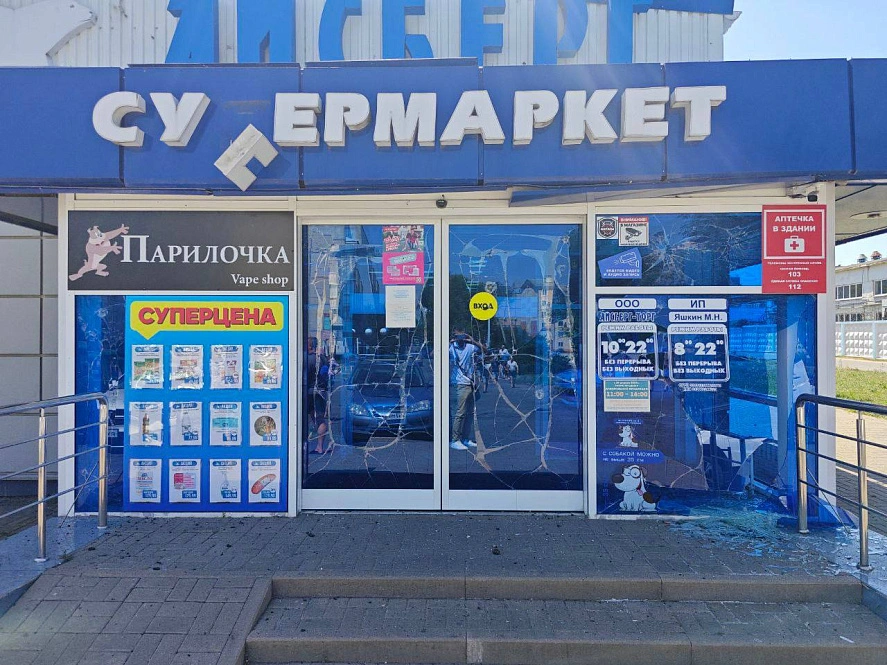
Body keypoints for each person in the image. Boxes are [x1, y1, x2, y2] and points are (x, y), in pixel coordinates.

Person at [449, 328, 484, 450]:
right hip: (460, 383)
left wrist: (472, 340)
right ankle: (455, 439)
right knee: (460, 413)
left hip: (471, 382)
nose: (460, 339)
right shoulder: (451, 347)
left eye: (462, 336)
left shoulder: (469, 346)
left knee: (470, 413)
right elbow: (434, 354)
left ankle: (465, 438)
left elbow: (485, 350)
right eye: (457, 336)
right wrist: (448, 342)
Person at [306, 336, 329, 454]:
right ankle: (320, 446)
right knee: (319, 418)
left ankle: (314, 447)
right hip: (321, 391)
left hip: (310, 392)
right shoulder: (322, 358)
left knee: (315, 419)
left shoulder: (308, 359)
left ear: (309, 345)